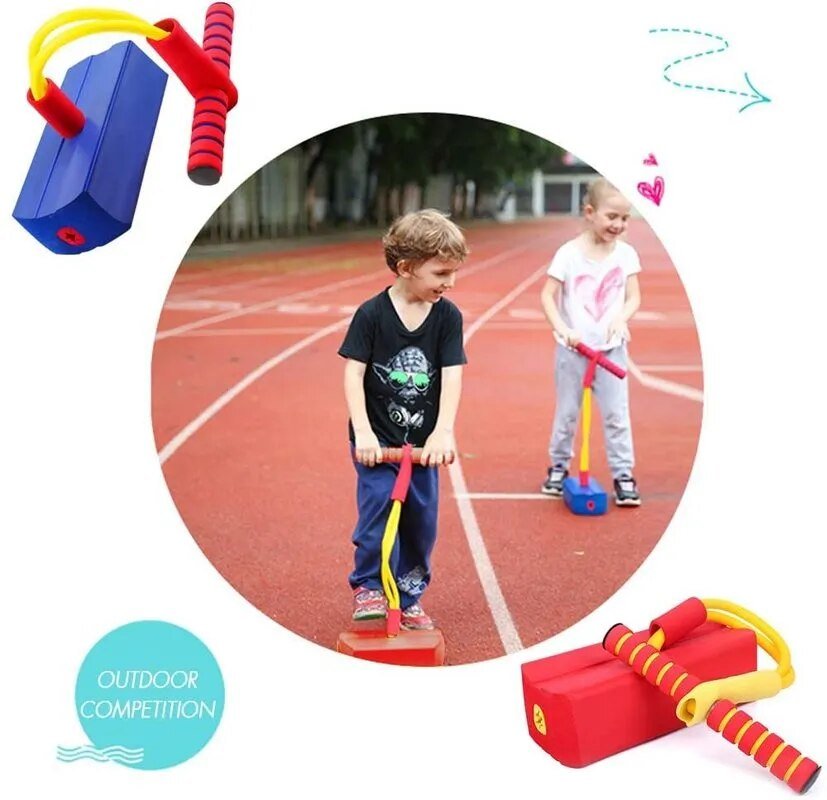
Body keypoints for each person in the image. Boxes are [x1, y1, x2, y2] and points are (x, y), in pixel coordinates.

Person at [338, 209, 469, 629]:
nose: (450, 283)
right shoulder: (372, 315)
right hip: (378, 443)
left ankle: (409, 594)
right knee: (377, 513)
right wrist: (363, 432)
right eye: (441, 273)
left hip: (422, 447)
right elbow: (353, 373)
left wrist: (442, 433)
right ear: (406, 268)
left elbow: (451, 376)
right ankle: (370, 586)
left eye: (453, 272)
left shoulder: (447, 317)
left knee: (421, 523)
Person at [539, 178, 642, 506]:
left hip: (611, 350)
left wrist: (620, 317)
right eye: (612, 217)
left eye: (625, 219)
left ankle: (623, 474)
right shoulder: (568, 255)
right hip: (574, 352)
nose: (619, 225)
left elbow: (634, 297)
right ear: (590, 212)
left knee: (616, 414)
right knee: (567, 413)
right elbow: (547, 296)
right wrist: (563, 329)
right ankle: (558, 467)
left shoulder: (626, 255)